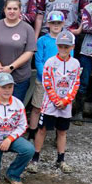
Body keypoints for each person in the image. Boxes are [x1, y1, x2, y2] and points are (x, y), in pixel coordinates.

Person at [35, 31, 80, 173]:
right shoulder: (50, 62)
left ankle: (61, 159)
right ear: (57, 46)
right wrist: (55, 99)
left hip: (65, 105)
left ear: (72, 47)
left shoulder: (75, 63)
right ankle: (35, 159)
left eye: (66, 47)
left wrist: (66, 100)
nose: (64, 49)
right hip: (49, 104)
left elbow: (75, 84)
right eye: (61, 46)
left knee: (62, 131)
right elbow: (46, 82)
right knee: (42, 130)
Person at [0, 0, 38, 108]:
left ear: (20, 10)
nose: (12, 11)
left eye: (15, 9)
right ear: (4, 9)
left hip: (19, 77)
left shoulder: (27, 28)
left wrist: (11, 67)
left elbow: (29, 52)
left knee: (14, 108)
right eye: (9, 8)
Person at [29, 10, 66, 144]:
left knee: (59, 107)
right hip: (43, 79)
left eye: (59, 23)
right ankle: (32, 132)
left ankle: (58, 134)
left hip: (61, 81)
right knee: (37, 107)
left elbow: (70, 58)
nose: (56, 25)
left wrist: (62, 77)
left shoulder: (67, 39)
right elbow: (38, 60)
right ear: (48, 24)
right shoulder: (42, 40)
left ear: (63, 23)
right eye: (53, 23)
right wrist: (45, 76)